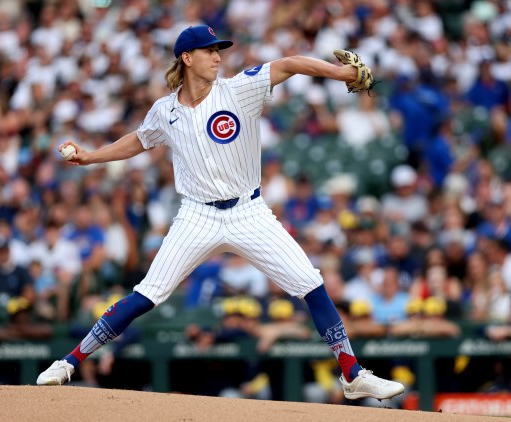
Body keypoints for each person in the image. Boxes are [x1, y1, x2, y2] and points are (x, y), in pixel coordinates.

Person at [36, 24, 403, 400]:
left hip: (249, 212)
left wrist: (341, 72)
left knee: (311, 284)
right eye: (209, 50)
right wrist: (91, 156)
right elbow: (138, 140)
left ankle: (352, 373)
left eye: (219, 50)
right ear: (187, 57)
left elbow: (290, 63)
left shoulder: (238, 89)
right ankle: (69, 362)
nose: (217, 56)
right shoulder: (165, 110)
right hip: (197, 215)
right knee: (147, 294)